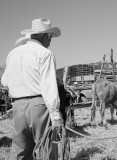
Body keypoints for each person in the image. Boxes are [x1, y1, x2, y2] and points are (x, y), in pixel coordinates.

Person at [1, 18, 64, 159]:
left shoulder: (13, 53)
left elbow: (4, 81)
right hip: (39, 106)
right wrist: (55, 115)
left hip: (18, 106)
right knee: (45, 149)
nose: (51, 40)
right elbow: (49, 85)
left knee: (20, 150)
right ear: (44, 36)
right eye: (50, 36)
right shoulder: (45, 53)